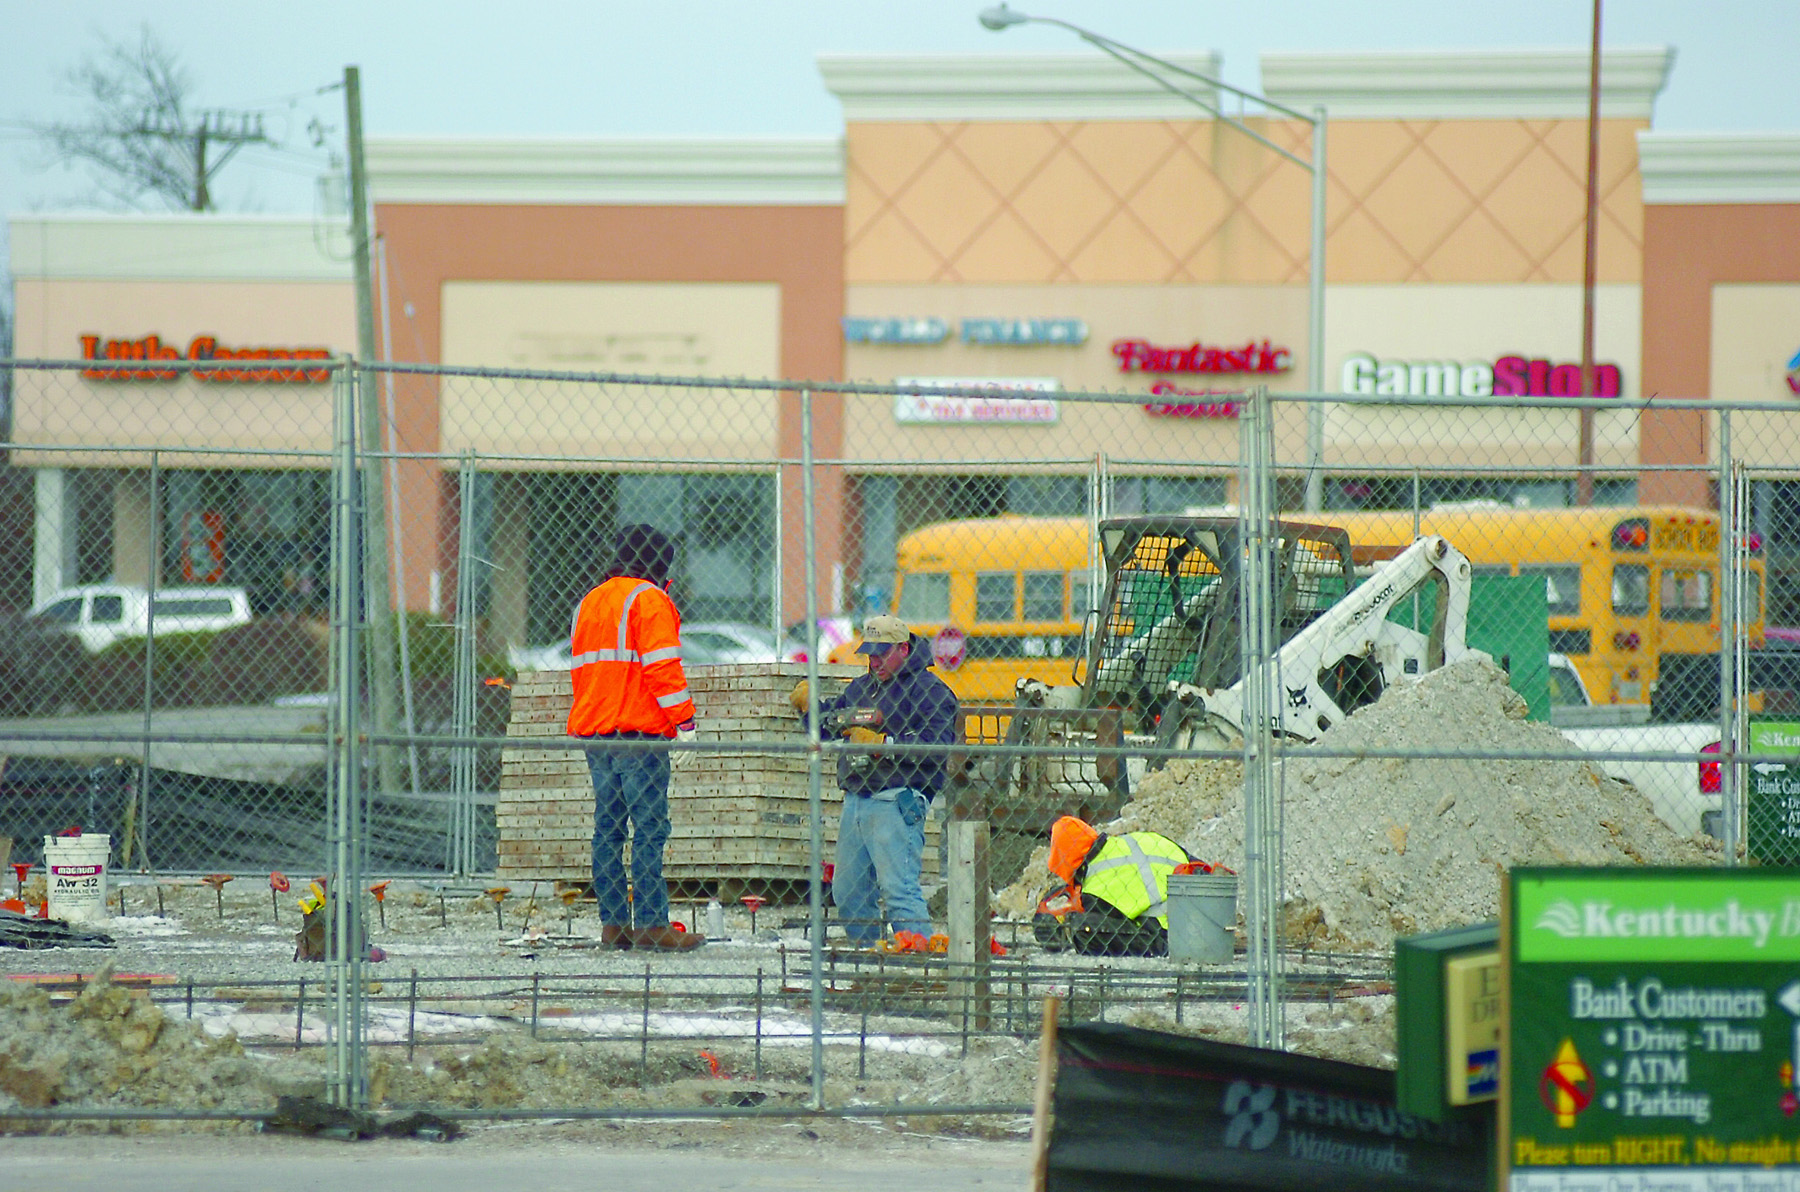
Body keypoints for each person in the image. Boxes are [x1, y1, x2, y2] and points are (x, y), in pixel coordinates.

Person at [567, 524, 703, 951]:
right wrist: (685, 723)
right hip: (639, 734)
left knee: (607, 829)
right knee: (649, 828)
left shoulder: (591, 601)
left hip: (597, 733)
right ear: (663, 568)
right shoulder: (649, 600)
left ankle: (613, 926)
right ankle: (650, 925)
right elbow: (662, 668)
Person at [789, 614, 959, 948]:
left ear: (904, 649)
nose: (874, 660)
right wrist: (810, 708)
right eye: (870, 652)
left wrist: (885, 745)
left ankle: (918, 960)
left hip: (897, 798)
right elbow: (828, 725)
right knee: (848, 893)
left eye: (882, 652)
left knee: (899, 891)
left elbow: (937, 747)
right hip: (858, 798)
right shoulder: (863, 687)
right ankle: (869, 958)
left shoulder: (931, 691)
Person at [1036, 815, 1195, 957]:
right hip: (1204, 915)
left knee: (1082, 930)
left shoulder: (1095, 890)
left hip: (1171, 938)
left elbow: (1108, 925)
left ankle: (1159, 951)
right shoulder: (1142, 839)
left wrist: (1067, 923)